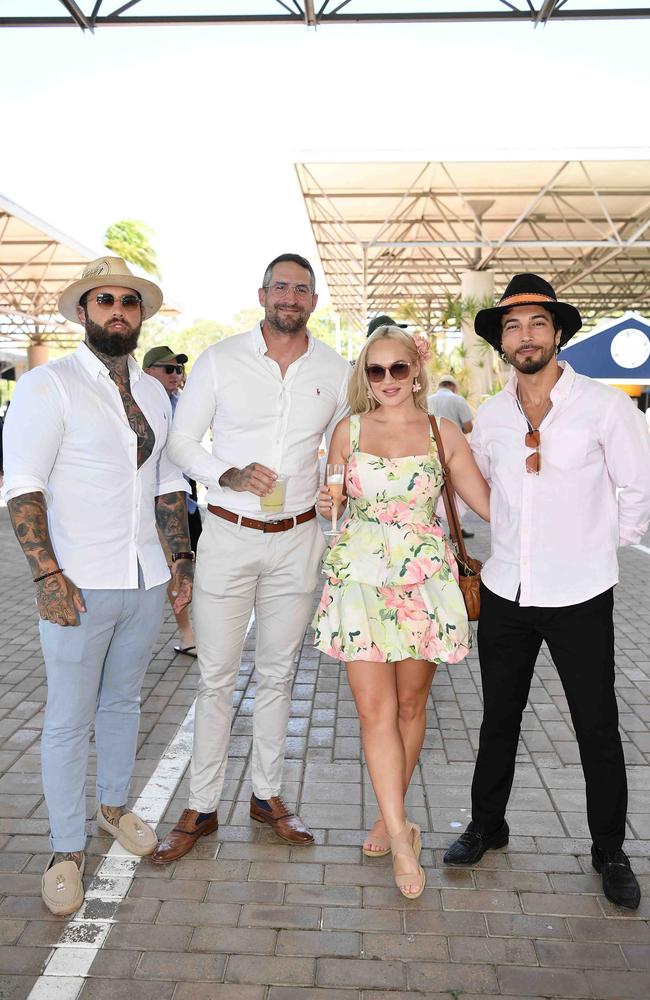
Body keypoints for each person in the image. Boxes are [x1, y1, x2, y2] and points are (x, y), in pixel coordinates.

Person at [443, 273, 650, 911]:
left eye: (537, 323)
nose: (525, 335)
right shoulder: (495, 415)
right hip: (506, 587)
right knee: (498, 716)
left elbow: (638, 487)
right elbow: (469, 479)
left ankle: (609, 849)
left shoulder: (604, 405)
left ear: (558, 333)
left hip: (582, 591)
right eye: (512, 326)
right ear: (502, 342)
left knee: (597, 726)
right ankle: (487, 824)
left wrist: (597, 543)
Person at [2, 257, 193, 917]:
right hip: (76, 581)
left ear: (141, 315)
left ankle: (114, 807)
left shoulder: (156, 391)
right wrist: (46, 574)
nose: (118, 310)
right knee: (66, 719)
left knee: (123, 704)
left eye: (129, 301)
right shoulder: (47, 386)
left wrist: (181, 565)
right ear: (83, 311)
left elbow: (167, 483)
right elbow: (22, 484)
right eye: (104, 300)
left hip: (143, 575)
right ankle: (63, 850)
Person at [151, 252, 350, 862]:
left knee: (279, 674)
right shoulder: (218, 359)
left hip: (298, 538)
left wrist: (334, 482)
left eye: (302, 290)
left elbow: (346, 443)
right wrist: (226, 471)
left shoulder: (337, 370)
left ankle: (267, 796)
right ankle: (202, 805)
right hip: (230, 533)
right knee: (215, 675)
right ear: (263, 295)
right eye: (281, 288)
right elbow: (181, 441)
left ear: (314, 302)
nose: (290, 298)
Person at [313, 325, 490, 899]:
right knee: (374, 712)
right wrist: (326, 503)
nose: (386, 381)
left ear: (416, 369)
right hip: (362, 579)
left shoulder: (442, 432)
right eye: (374, 370)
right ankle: (400, 837)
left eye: (397, 368)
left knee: (412, 705)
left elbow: (484, 503)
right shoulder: (348, 430)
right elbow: (333, 504)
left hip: (424, 581)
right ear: (364, 375)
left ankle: (392, 813)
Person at [143, 345, 202, 656]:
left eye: (179, 370)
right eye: (169, 369)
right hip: (151, 500)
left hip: (185, 497)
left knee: (186, 564)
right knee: (170, 566)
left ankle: (191, 630)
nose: (176, 375)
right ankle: (187, 632)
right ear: (148, 371)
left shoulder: (184, 404)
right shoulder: (136, 404)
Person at [427, 375, 475, 538]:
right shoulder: (457, 399)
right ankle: (456, 529)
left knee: (431, 490)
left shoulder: (428, 400)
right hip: (452, 452)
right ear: (453, 387)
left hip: (428, 450)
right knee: (452, 492)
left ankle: (433, 527)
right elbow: (468, 426)